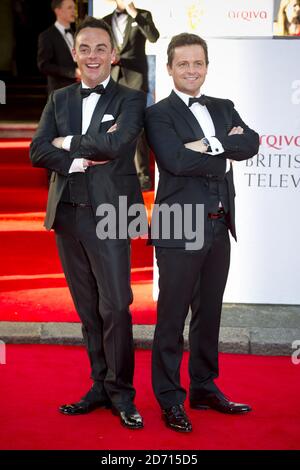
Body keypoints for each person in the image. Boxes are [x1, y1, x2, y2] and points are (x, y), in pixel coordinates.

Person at [30, 16, 147, 430]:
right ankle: (99, 385)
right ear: (75, 53)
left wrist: (67, 142)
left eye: (101, 48)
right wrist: (77, 157)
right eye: (85, 48)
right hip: (68, 216)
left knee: (116, 305)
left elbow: (117, 146)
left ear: (114, 56)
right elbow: (37, 151)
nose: (93, 55)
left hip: (113, 213)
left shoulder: (131, 99)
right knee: (87, 311)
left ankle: (122, 392)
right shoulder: (59, 99)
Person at [145, 33, 260, 433]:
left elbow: (251, 144)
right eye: (183, 64)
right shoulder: (158, 114)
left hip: (218, 224)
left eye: (198, 63)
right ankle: (170, 397)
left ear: (207, 66)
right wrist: (222, 149)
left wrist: (206, 144)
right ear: (171, 68)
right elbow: (175, 161)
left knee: (209, 314)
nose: (191, 70)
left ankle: (205, 386)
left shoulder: (224, 106)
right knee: (172, 317)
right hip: (179, 225)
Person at [103, 1, 160, 191]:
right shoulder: (104, 21)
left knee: (137, 128)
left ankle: (142, 175)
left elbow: (153, 37)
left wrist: (134, 13)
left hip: (135, 80)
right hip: (113, 79)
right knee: (112, 127)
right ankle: (115, 173)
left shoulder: (143, 15)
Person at [37, 0, 81, 93]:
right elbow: (44, 65)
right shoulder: (46, 35)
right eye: (70, 8)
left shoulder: (76, 35)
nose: (74, 11)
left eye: (74, 8)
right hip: (59, 92)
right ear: (58, 11)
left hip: (78, 90)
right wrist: (72, 73)